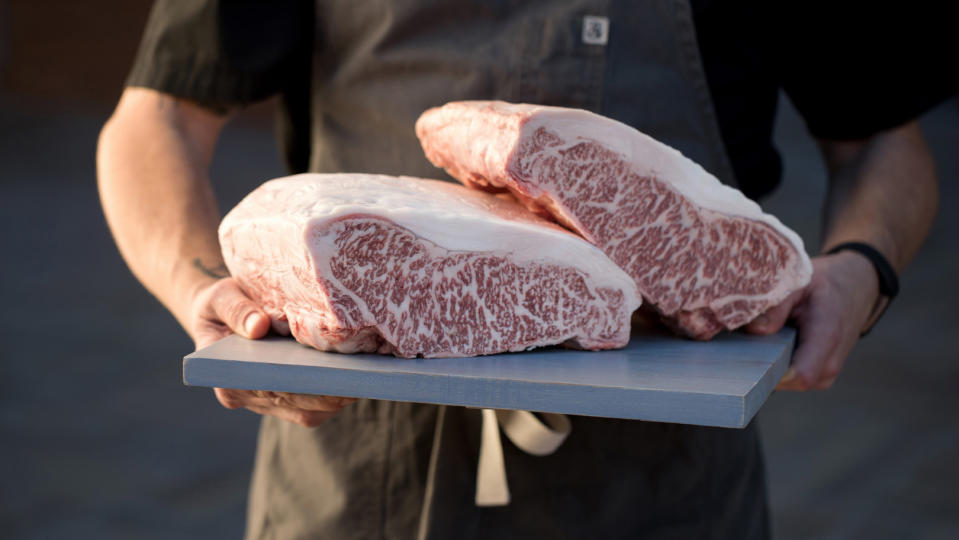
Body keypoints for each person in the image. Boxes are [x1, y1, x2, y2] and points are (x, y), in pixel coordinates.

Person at [97, 1, 952, 538]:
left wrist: (860, 268)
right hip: (359, 472)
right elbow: (157, 118)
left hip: (664, 485)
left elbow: (883, 139)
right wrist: (201, 289)